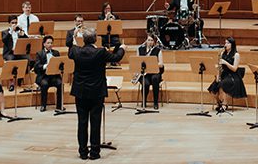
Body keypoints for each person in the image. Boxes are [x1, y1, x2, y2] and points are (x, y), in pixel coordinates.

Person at [68, 28, 126, 160]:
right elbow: (116, 57)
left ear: (84, 39)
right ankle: (94, 153)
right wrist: (122, 48)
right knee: (95, 122)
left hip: (80, 92)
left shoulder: (76, 51)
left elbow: (71, 50)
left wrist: (74, 37)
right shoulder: (100, 52)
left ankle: (83, 152)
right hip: (96, 92)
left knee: (82, 123)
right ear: (95, 39)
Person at [208, 37, 247, 114]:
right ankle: (219, 103)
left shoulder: (236, 55)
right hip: (224, 74)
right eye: (225, 43)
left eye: (227, 43)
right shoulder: (222, 53)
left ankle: (225, 104)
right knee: (213, 88)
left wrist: (225, 63)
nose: (225, 45)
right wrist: (217, 75)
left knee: (223, 84)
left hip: (233, 76)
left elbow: (234, 69)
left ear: (232, 44)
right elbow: (220, 67)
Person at [2, 15, 36, 90]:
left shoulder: (19, 31)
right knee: (11, 62)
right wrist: (11, 31)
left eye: (16, 22)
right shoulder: (5, 32)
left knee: (31, 61)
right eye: (12, 22)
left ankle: (20, 77)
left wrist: (23, 34)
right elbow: (4, 40)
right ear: (9, 23)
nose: (14, 24)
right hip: (10, 53)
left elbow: (27, 41)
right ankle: (12, 83)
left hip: (20, 52)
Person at [34, 35, 63, 112]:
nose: (50, 44)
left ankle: (59, 106)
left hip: (54, 76)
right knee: (44, 84)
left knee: (60, 83)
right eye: (48, 43)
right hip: (44, 76)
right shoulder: (39, 53)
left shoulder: (56, 53)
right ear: (44, 44)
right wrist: (45, 66)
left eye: (51, 43)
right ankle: (43, 105)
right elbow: (37, 67)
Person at [137, 34, 164, 109]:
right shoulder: (140, 49)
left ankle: (155, 102)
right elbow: (136, 62)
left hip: (155, 72)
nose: (150, 42)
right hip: (144, 73)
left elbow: (161, 64)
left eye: (152, 40)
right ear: (146, 41)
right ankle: (144, 101)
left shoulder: (158, 50)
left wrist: (152, 64)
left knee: (155, 79)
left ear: (154, 42)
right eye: (148, 40)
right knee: (145, 83)